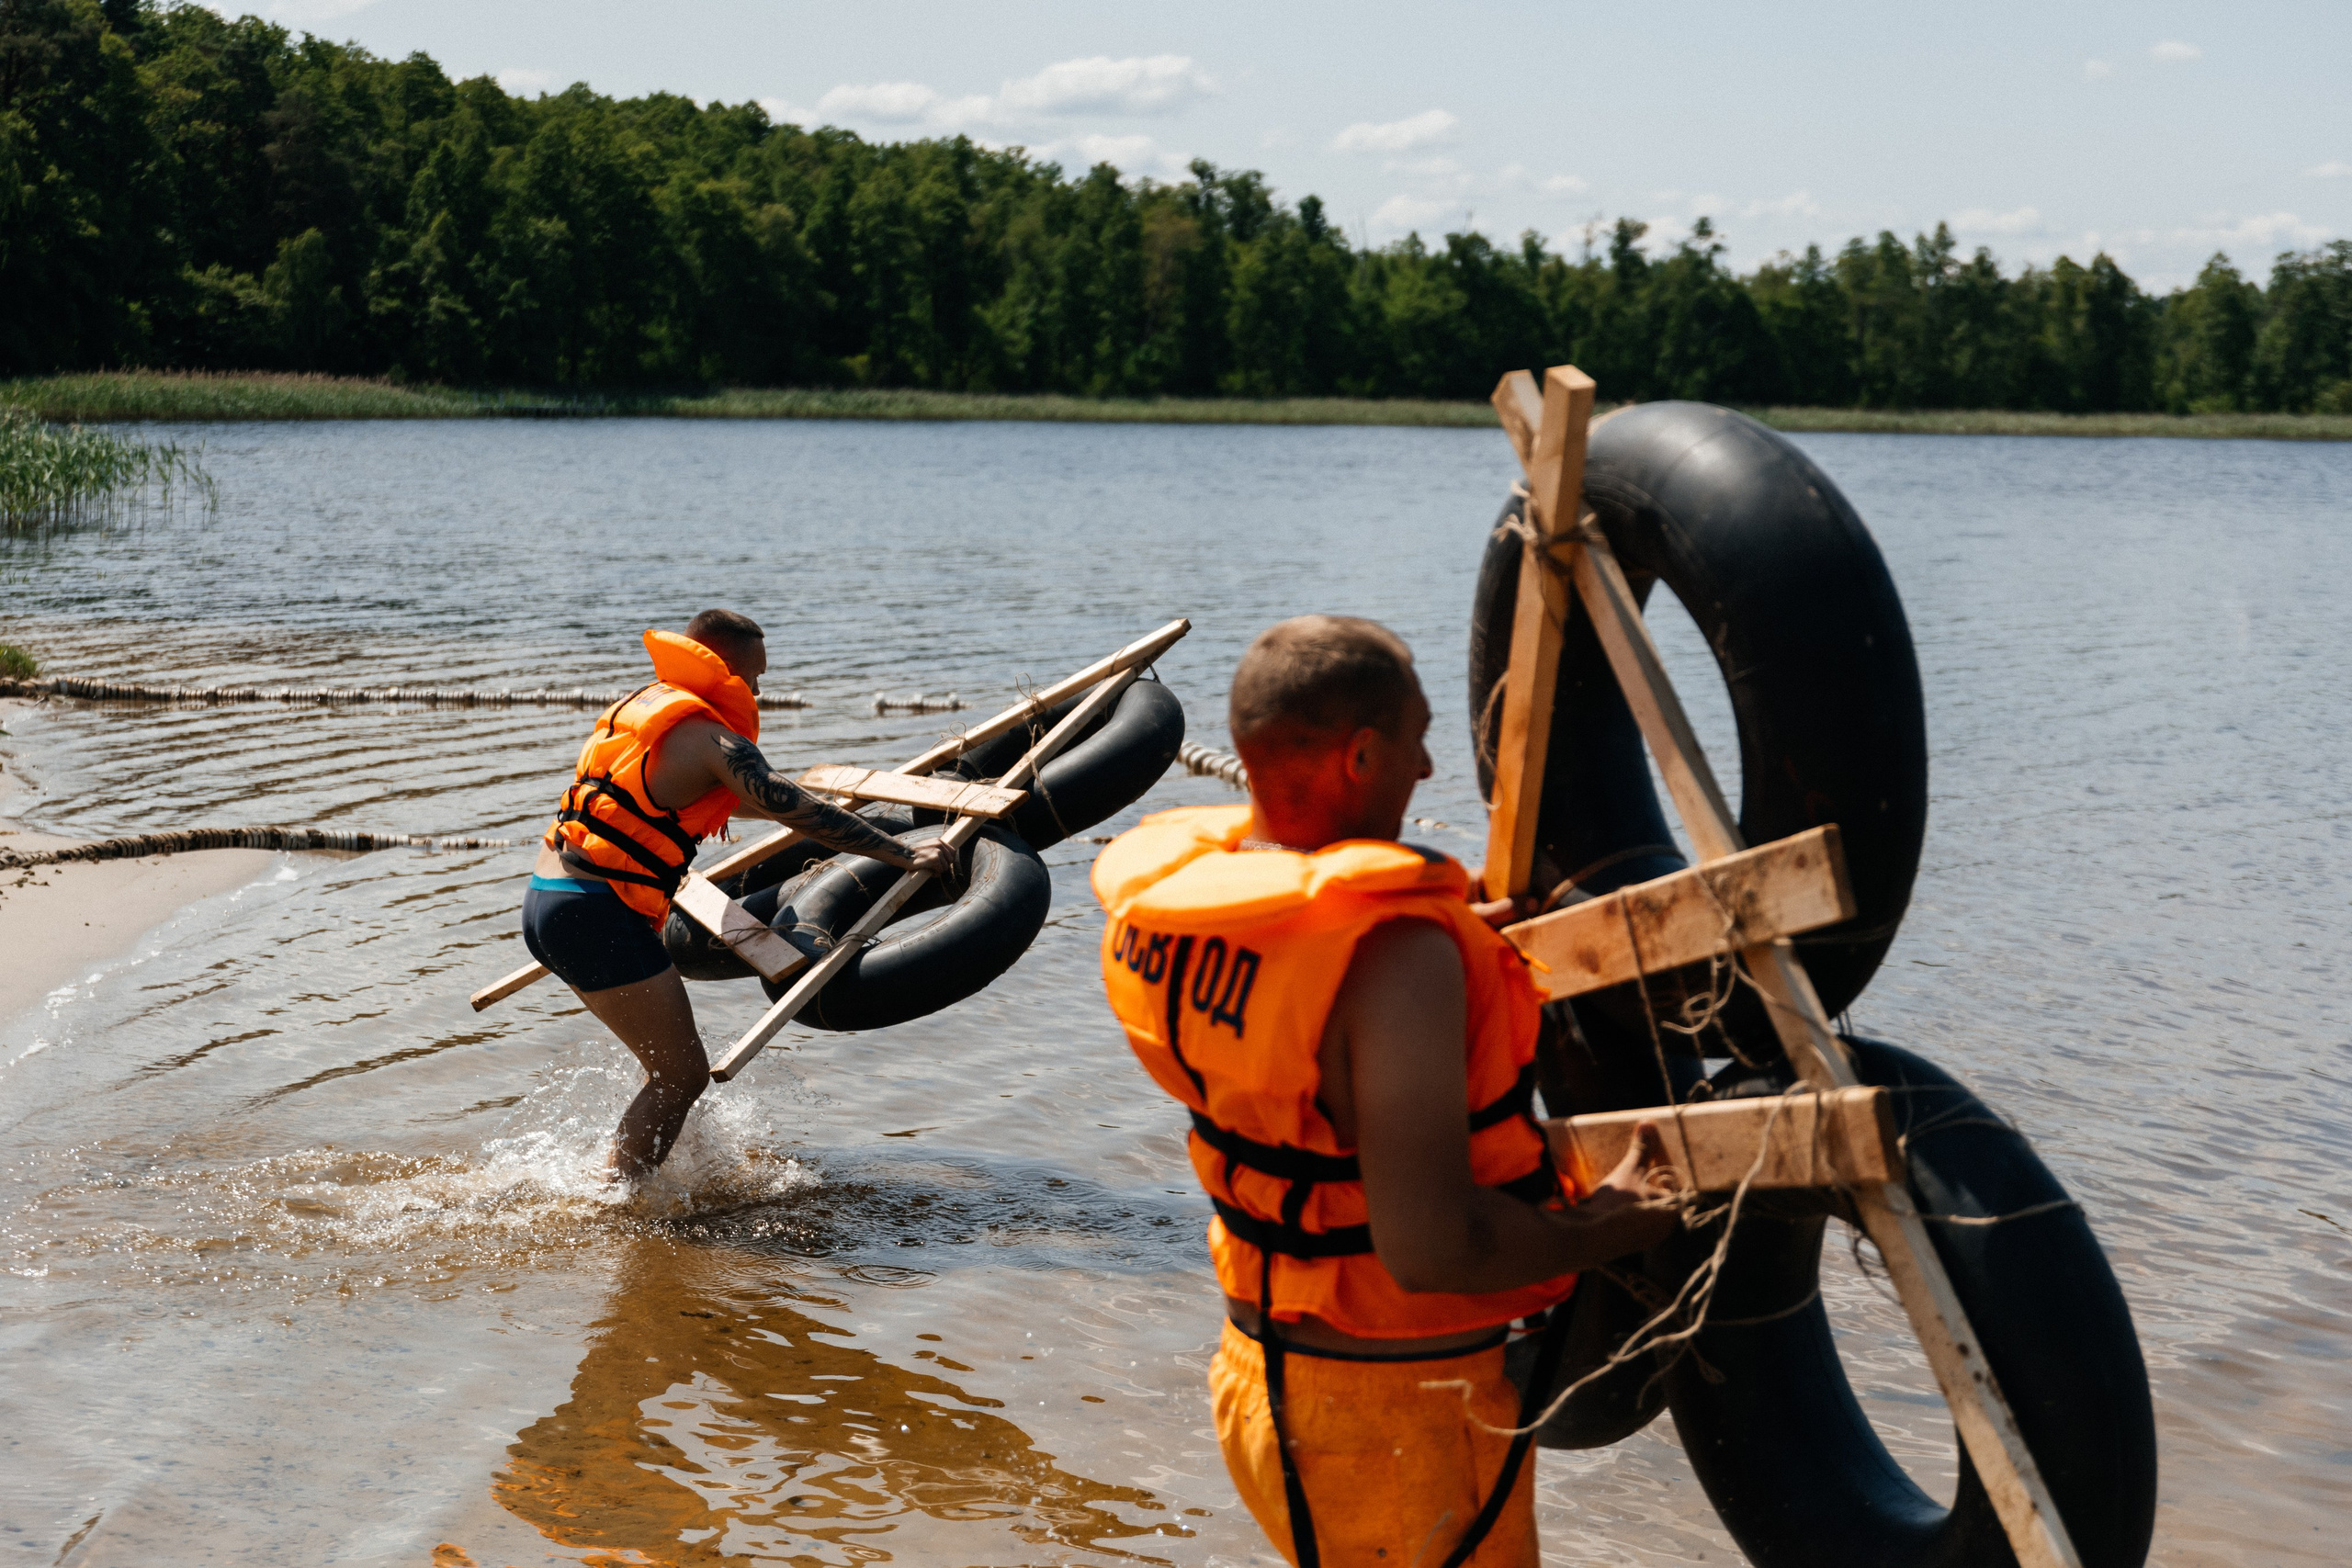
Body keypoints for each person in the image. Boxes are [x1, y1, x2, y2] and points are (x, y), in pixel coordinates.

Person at [1092, 615, 1679, 1567]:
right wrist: (1613, 1224)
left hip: (1258, 1380)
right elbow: (1430, 1249)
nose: (1431, 769)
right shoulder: (1396, 958)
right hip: (1395, 1421)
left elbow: (1309, 1024)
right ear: (1362, 754)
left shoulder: (1190, 910)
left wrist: (1457, 952)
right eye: (1417, 740)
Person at [526, 609, 951, 1182]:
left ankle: (635, 1180)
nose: (756, 690)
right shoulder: (709, 737)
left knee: (664, 1066)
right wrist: (903, 852)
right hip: (594, 916)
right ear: (719, 665)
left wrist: (831, 814)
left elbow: (744, 800)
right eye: (751, 676)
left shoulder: (650, 710)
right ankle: (616, 1204)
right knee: (682, 1076)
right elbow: (789, 806)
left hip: (550, 898)